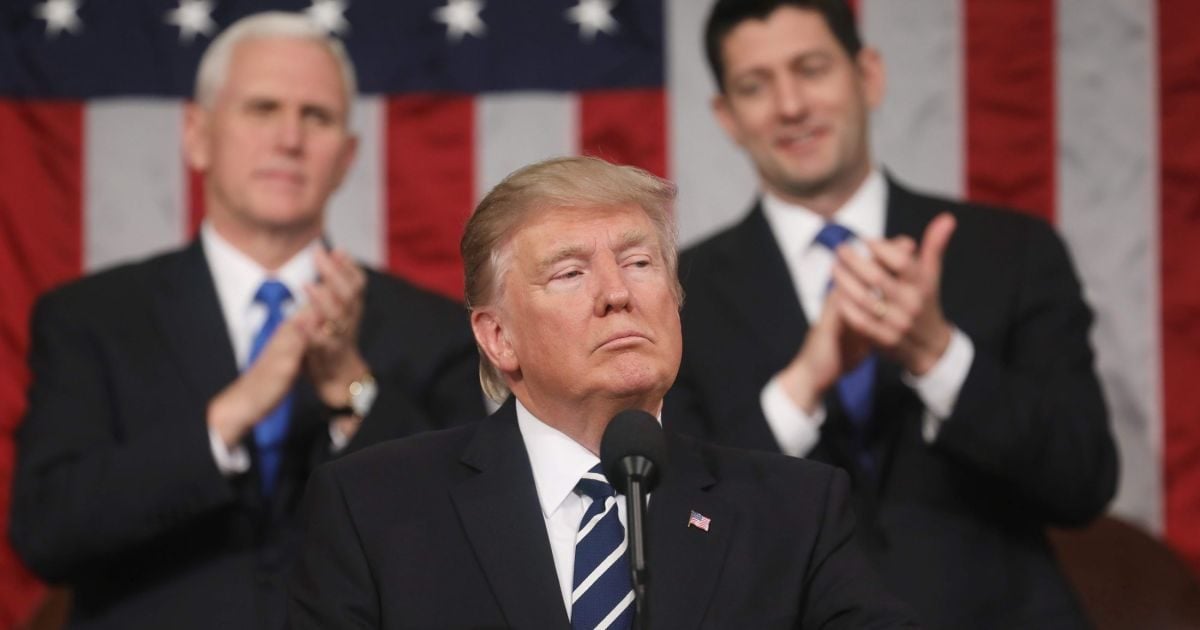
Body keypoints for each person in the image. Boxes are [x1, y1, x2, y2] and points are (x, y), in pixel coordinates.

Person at [288, 156, 917, 629]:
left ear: (675, 302)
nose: (618, 293)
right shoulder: (375, 509)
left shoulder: (795, 510)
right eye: (569, 273)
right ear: (499, 336)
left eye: (640, 263)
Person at [9, 12, 483, 629]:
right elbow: (47, 532)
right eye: (261, 109)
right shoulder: (90, 318)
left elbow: (467, 538)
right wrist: (228, 416)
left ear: (346, 157)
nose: (289, 138)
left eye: (316, 116)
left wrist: (351, 387)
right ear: (197, 134)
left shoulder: (436, 329)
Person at [663, 1, 1119, 628]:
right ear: (727, 117)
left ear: (868, 76)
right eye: (755, 85)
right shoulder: (676, 292)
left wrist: (939, 356)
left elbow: (1083, 481)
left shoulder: (1011, 252)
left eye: (812, 69)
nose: (791, 105)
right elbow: (677, 525)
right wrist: (800, 388)